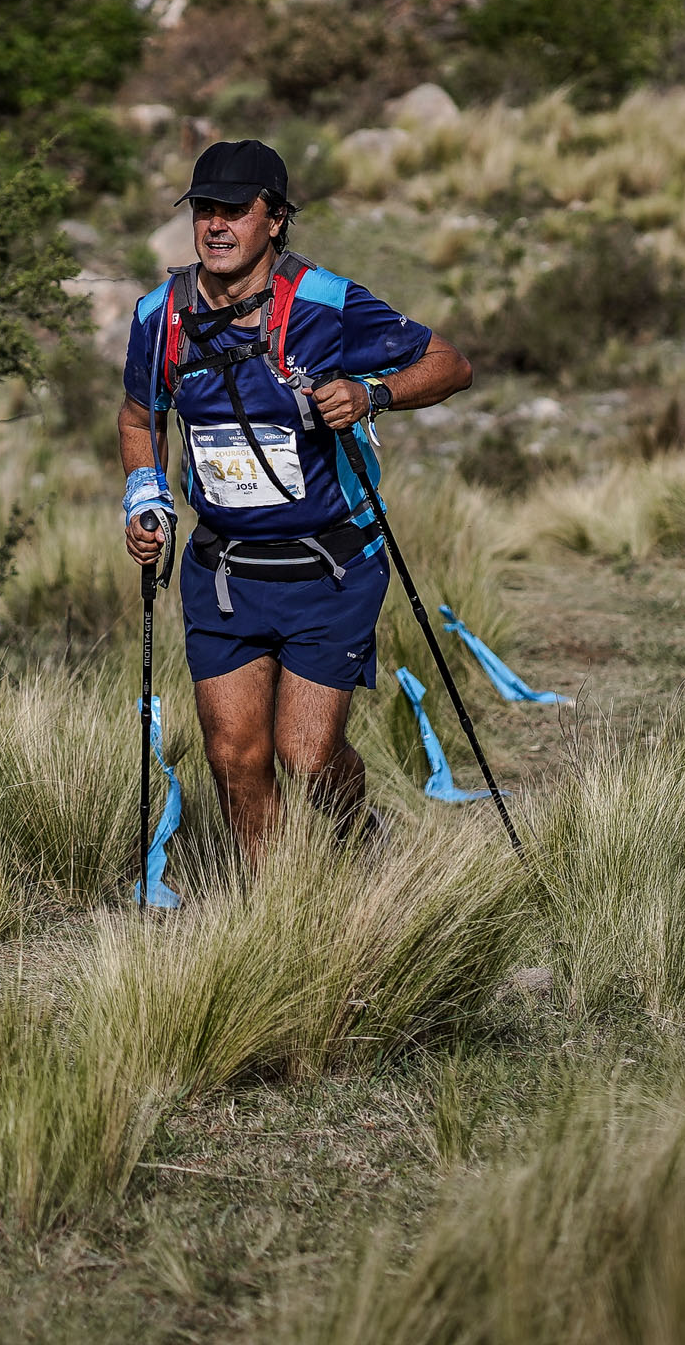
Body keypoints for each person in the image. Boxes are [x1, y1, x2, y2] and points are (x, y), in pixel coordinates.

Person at [118, 139, 471, 861]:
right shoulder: (159, 317)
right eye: (204, 210)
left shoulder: (327, 305)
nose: (216, 226)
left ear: (274, 220)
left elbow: (450, 365)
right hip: (223, 574)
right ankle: (274, 913)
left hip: (330, 569)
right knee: (234, 760)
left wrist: (373, 393)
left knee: (308, 758)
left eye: (235, 211)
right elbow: (138, 417)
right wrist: (144, 499)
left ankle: (356, 838)